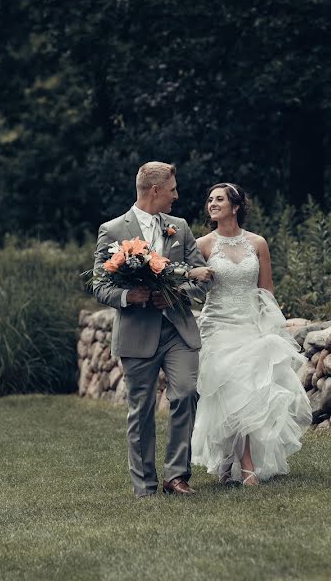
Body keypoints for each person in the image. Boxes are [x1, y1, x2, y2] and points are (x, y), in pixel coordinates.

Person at [93, 162, 212, 497]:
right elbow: (100, 286)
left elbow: (201, 278)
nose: (177, 195)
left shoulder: (180, 227)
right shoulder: (113, 230)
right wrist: (130, 295)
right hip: (136, 333)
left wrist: (175, 293)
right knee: (141, 409)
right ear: (155, 190)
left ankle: (176, 476)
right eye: (172, 189)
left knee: (186, 393)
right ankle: (145, 485)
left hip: (178, 331)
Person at [190, 182, 312, 486]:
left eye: (219, 199)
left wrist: (271, 326)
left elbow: (266, 290)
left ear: (236, 206)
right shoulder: (203, 244)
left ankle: (241, 464)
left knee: (247, 393)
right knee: (228, 393)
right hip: (217, 326)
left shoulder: (258, 243)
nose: (212, 204)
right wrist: (193, 274)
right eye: (210, 200)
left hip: (249, 326)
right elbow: (190, 286)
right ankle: (237, 463)